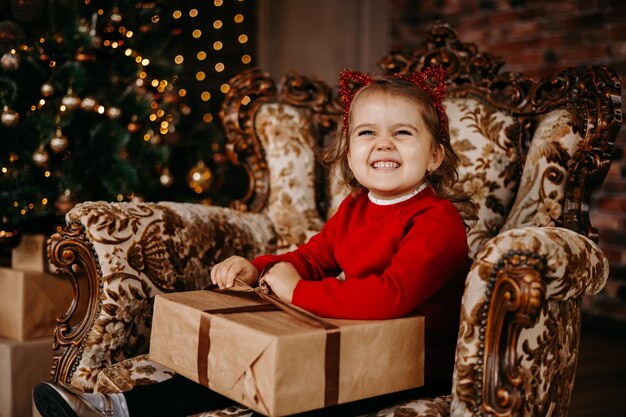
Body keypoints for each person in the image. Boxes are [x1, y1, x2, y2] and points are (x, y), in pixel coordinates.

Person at [34, 67, 476, 417]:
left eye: (402, 133)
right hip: (356, 337)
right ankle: (118, 407)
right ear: (348, 152)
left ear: (435, 154)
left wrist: (297, 292)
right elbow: (313, 256)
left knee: (298, 396)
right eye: (367, 133)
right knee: (231, 367)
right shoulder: (355, 208)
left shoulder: (437, 220)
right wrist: (260, 267)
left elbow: (390, 297)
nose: (383, 144)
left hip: (411, 365)